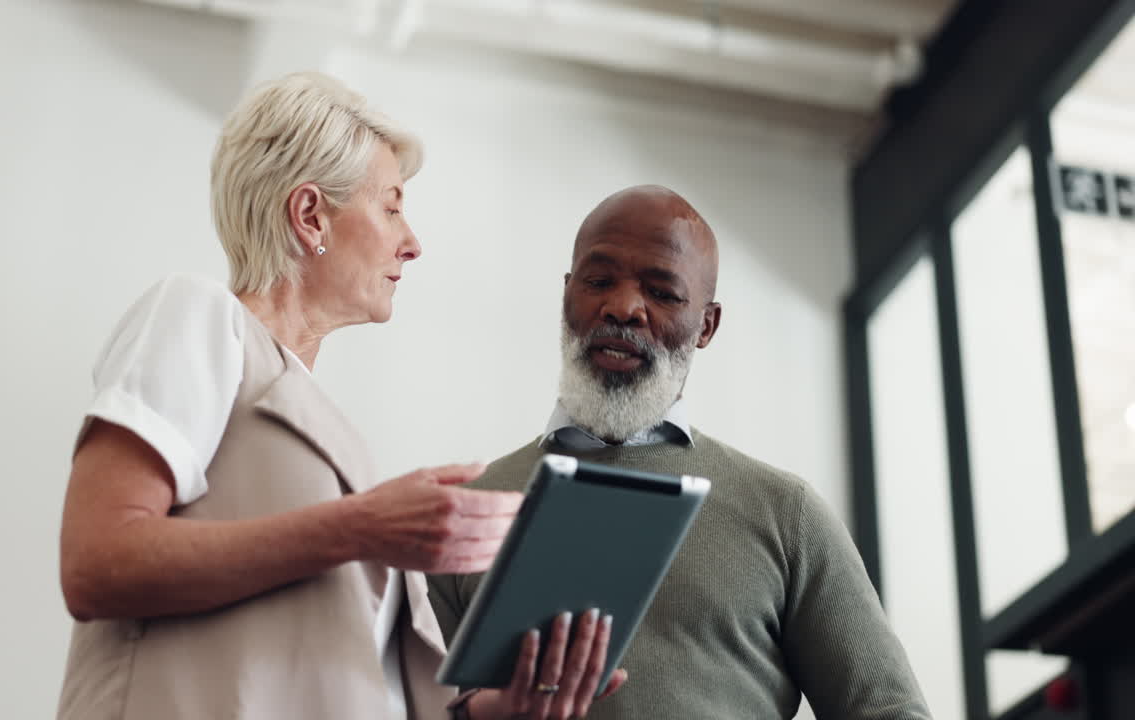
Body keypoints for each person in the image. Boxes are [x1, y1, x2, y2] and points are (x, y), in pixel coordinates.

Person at [56, 72, 617, 720]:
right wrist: (360, 527)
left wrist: (503, 709)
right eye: (392, 205)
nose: (412, 243)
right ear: (310, 214)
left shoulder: (323, 426)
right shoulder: (198, 313)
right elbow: (97, 562)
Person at [429, 185, 932, 720]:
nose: (622, 307)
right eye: (599, 282)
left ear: (706, 326)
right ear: (566, 295)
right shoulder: (462, 513)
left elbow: (890, 711)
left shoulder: (786, 513)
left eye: (663, 293)